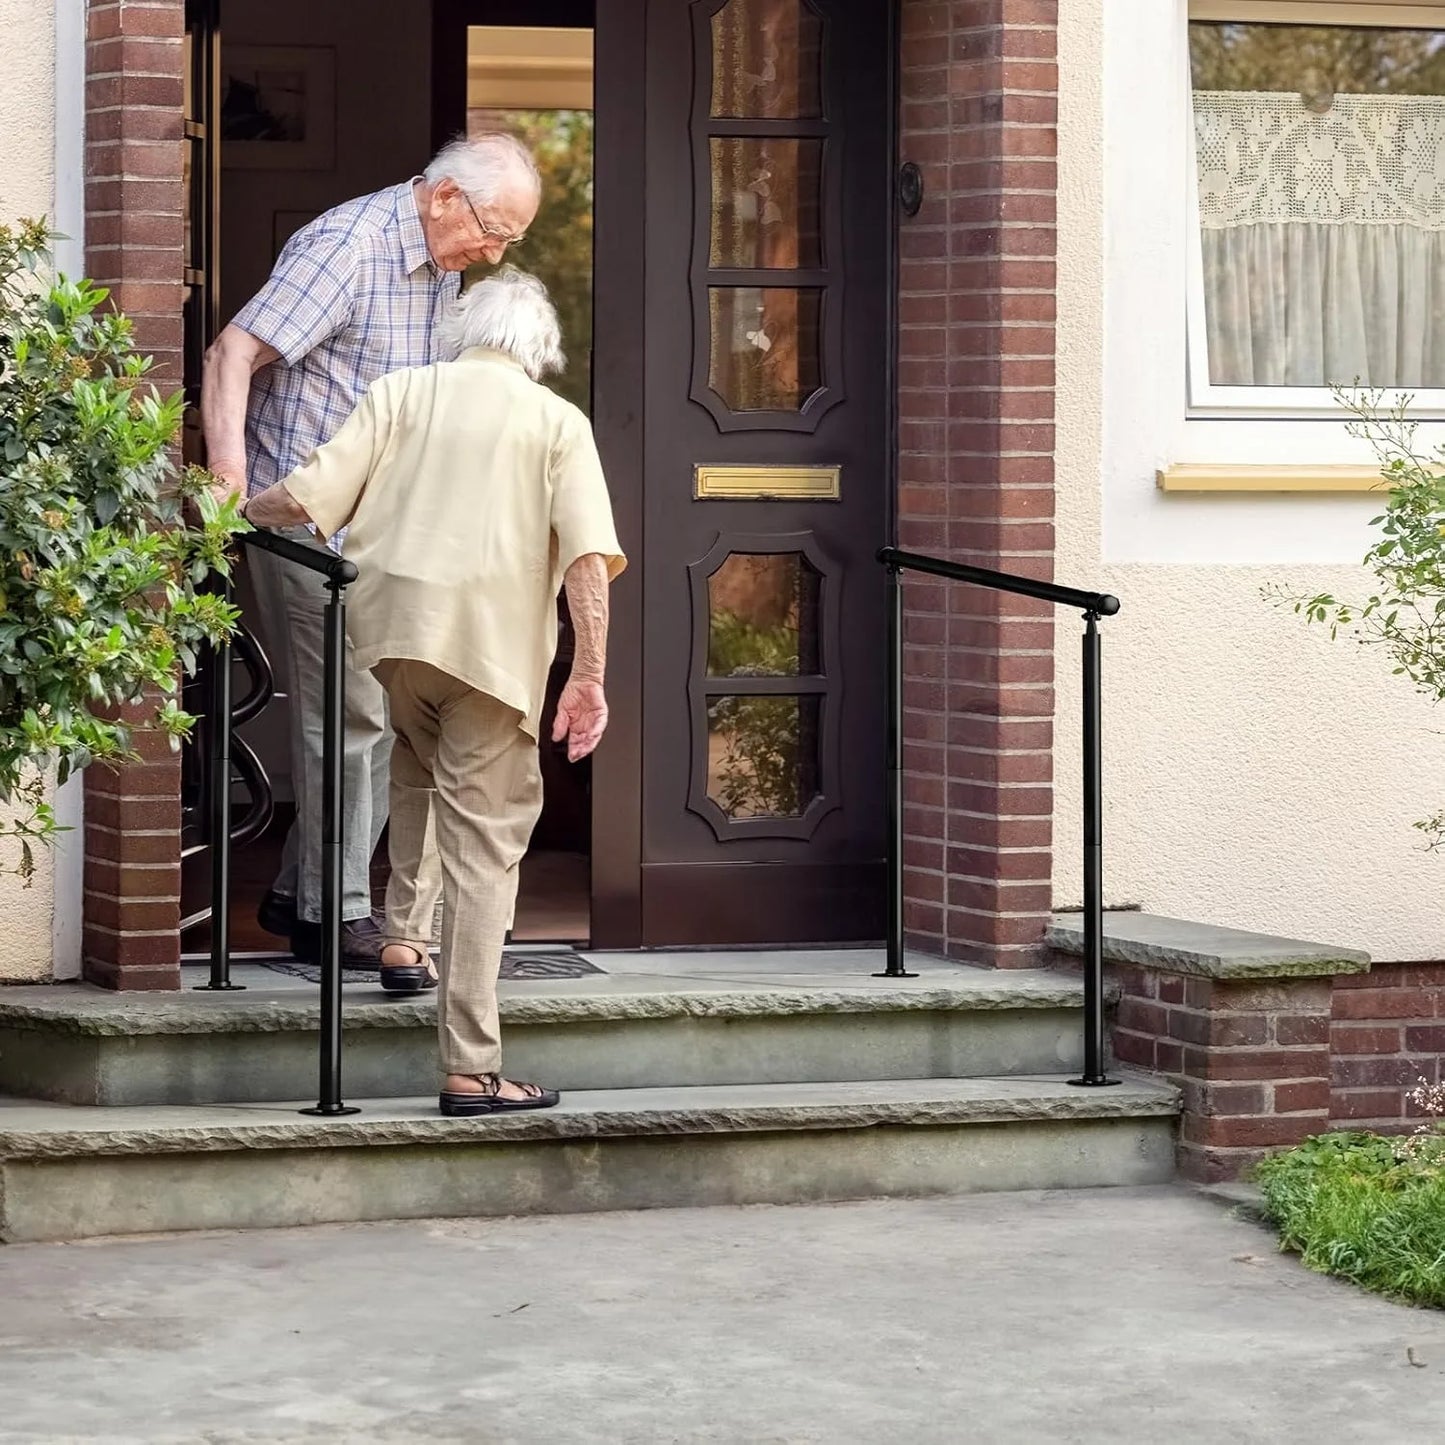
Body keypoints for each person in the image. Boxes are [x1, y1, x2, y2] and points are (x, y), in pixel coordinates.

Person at [241, 269, 625, 1114]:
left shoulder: (399, 392)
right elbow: (587, 561)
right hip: (489, 655)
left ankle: (406, 940)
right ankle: (471, 1065)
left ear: (464, 333)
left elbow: (302, 499)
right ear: (538, 353)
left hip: (393, 641)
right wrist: (588, 676)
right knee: (486, 854)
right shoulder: (557, 421)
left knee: (416, 776)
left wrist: (225, 505)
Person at [201, 133, 541, 966]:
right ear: (444, 197)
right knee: (353, 720)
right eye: (492, 229)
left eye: (510, 241)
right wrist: (228, 479)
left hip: (378, 535)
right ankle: (336, 911)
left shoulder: (443, 263)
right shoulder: (349, 249)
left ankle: (294, 892)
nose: (494, 252)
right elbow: (232, 350)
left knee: (375, 718)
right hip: (305, 524)